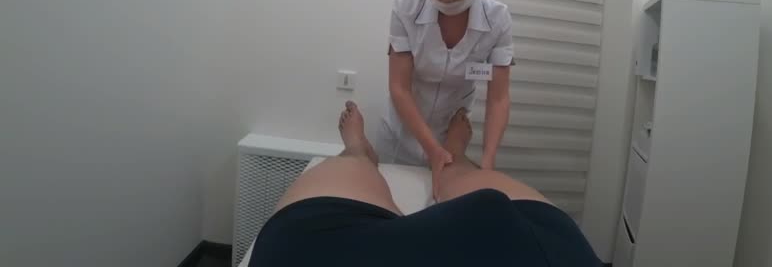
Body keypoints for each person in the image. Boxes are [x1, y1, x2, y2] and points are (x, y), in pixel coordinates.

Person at [249, 102, 601, 267]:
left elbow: (499, 92)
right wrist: (435, 149)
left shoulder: (493, 19)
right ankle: (453, 158)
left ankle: (357, 152)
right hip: (532, 245)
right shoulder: (411, 11)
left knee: (351, 166)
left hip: (325, 246)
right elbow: (400, 86)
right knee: (459, 173)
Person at [376, 0, 514, 198]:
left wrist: (488, 162)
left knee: (442, 203)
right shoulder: (405, 8)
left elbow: (498, 99)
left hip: (451, 133)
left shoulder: (497, 18)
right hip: (400, 133)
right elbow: (399, 88)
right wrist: (432, 150)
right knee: (395, 200)